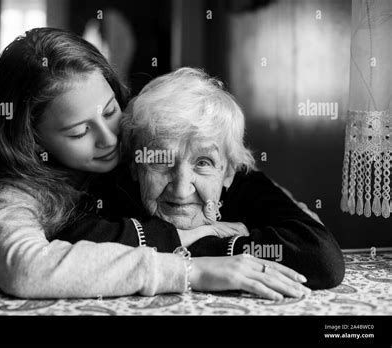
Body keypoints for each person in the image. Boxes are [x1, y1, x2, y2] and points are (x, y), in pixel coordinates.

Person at [0, 28, 316, 300]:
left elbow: (298, 228)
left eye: (110, 110)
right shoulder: (14, 193)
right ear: (32, 137)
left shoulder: (135, 141)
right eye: (78, 133)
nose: (110, 139)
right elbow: (25, 269)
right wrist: (193, 265)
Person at [56, 68, 345, 291]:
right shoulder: (114, 183)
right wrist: (198, 241)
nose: (181, 190)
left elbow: (321, 259)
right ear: (134, 165)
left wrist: (210, 249)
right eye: (160, 161)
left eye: (203, 163)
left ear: (229, 170)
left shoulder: (243, 181)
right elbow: (70, 238)